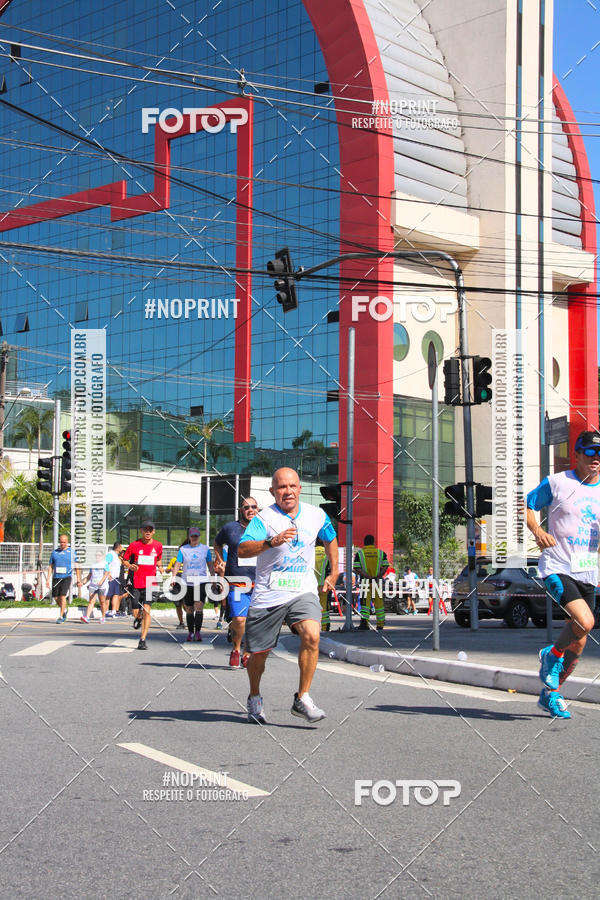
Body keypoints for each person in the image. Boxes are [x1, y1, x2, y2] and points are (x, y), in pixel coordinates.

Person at [238, 467, 338, 724]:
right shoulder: (264, 519)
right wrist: (272, 542)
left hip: (301, 590)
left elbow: (330, 537)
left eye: (292, 486)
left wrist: (335, 570)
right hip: (268, 595)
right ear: (273, 492)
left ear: (300, 489)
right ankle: (254, 696)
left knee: (312, 634)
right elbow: (243, 550)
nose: (288, 492)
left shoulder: (316, 514)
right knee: (258, 656)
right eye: (282, 487)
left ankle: (302, 697)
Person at [527, 430, 600, 719]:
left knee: (580, 638)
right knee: (585, 620)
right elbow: (530, 503)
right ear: (578, 455)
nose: (596, 459)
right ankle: (550, 655)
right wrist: (538, 530)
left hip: (587, 570)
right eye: (591, 453)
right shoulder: (558, 483)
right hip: (558, 566)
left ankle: (551, 694)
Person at [214, 497, 259, 668]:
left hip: (259, 582)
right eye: (246, 507)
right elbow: (217, 543)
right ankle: (236, 649)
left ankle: (247, 653)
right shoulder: (230, 528)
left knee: (254, 622)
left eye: (253, 507)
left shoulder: (264, 528)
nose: (250, 510)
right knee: (239, 619)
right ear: (241, 510)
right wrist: (220, 560)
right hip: (237, 581)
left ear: (258, 509)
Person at [122, 521, 164, 650]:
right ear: (141, 531)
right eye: (145, 529)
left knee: (147, 610)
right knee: (135, 611)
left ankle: (143, 639)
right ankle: (138, 618)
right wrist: (129, 565)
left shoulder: (158, 545)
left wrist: (160, 567)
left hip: (151, 581)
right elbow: (124, 559)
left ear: (154, 532)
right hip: (136, 581)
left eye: (150, 530)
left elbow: (159, 559)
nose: (148, 531)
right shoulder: (134, 545)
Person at [170, 527, 214, 642]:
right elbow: (178, 563)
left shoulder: (205, 549)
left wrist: (213, 578)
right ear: (189, 537)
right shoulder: (184, 549)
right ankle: (190, 632)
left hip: (201, 581)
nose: (194, 538)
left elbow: (210, 564)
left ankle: (198, 632)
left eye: (196, 536)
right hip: (187, 582)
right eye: (192, 536)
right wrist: (173, 577)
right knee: (189, 608)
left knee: (199, 605)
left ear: (199, 537)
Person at [353, 535, 388, 630]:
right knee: (379, 603)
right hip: (377, 582)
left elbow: (357, 568)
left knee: (365, 604)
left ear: (364, 543)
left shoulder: (360, 554)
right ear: (373, 542)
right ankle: (380, 624)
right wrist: (378, 575)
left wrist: (367, 576)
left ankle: (365, 624)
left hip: (365, 582)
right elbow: (385, 566)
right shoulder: (381, 553)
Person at [47, 533, 82, 623]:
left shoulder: (71, 552)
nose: (62, 544)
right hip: (56, 577)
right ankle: (64, 610)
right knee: (55, 597)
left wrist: (78, 579)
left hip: (66, 577)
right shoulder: (55, 553)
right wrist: (48, 578)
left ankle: (61, 615)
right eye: (61, 542)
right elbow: (51, 566)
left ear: (67, 542)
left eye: (64, 542)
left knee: (62, 596)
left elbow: (77, 566)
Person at [80, 550, 110, 623]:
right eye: (96, 555)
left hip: (102, 586)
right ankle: (87, 617)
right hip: (93, 585)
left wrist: (101, 581)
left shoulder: (105, 564)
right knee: (91, 601)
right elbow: (89, 575)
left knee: (102, 601)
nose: (97, 557)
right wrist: (83, 582)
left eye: (99, 555)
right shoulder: (93, 565)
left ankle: (103, 617)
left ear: (102, 557)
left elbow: (106, 574)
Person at [166, 545, 186, 629]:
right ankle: (181, 622)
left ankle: (191, 618)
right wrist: (171, 569)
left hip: (186, 583)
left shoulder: (188, 560)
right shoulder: (174, 560)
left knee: (186, 604)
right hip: (176, 584)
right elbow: (167, 570)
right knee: (178, 605)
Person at [105, 542, 124, 618]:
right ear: (118, 547)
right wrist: (108, 573)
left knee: (116, 594)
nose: (121, 549)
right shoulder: (110, 554)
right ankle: (106, 611)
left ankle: (113, 611)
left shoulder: (117, 556)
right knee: (108, 595)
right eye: (121, 547)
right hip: (110, 578)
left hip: (116, 578)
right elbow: (105, 563)